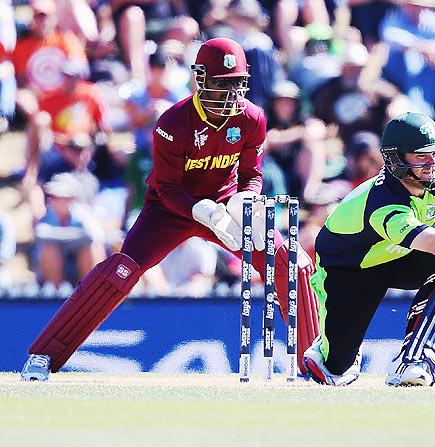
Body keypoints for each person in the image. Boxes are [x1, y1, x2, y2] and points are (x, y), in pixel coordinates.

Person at [20, 38, 320, 381]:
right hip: (169, 211)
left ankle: (313, 361)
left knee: (290, 264)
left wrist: (244, 200)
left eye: (237, 83)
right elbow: (166, 188)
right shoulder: (173, 122)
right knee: (119, 272)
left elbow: (252, 174)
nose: (231, 93)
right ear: (201, 78)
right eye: (222, 83)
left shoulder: (252, 118)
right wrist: (201, 212)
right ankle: (44, 356)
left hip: (226, 208)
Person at [302, 112, 435, 386]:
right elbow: (432, 241)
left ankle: (415, 362)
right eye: (421, 157)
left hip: (399, 256)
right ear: (396, 160)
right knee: (335, 368)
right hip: (349, 269)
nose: (432, 163)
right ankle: (326, 349)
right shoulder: (382, 203)